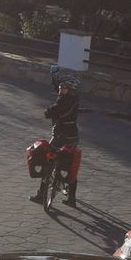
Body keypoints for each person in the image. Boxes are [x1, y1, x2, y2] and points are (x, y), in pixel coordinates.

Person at [30, 70, 81, 206]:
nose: (60, 89)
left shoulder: (64, 101)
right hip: (73, 135)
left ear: (69, 90)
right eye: (60, 87)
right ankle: (71, 198)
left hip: (60, 136)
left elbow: (51, 111)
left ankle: (41, 195)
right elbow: (60, 91)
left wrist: (47, 112)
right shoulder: (74, 98)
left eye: (63, 87)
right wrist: (55, 79)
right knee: (69, 164)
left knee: (48, 161)